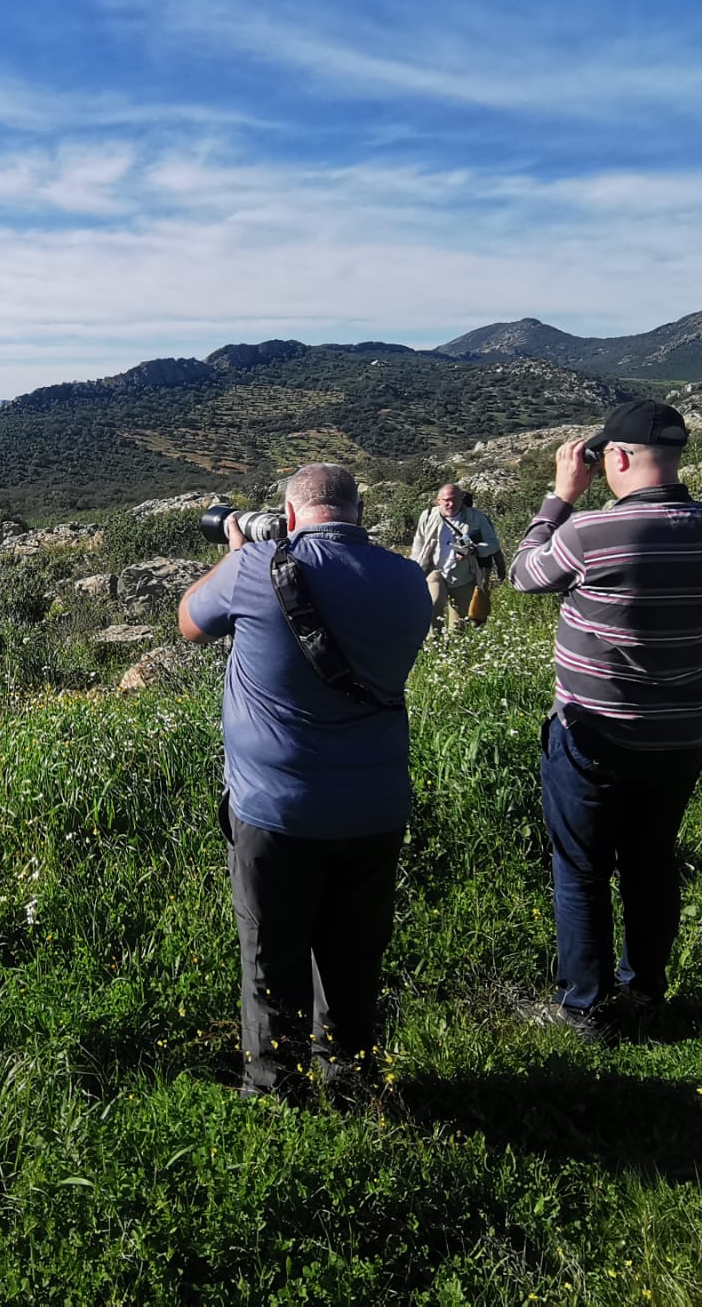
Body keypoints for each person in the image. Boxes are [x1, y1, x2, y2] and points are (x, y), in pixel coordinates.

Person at [177, 463, 435, 1097]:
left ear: (290, 516)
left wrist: (240, 553)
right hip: (375, 807)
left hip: (276, 810)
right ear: (358, 512)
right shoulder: (408, 582)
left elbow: (188, 621)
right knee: (353, 956)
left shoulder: (254, 570)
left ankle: (275, 1095)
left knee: (272, 957)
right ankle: (349, 1080)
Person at [508, 400, 702, 1035]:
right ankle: (645, 995)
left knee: (582, 868)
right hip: (679, 731)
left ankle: (585, 1007)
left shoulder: (590, 533)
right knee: (650, 862)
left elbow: (524, 574)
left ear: (614, 457)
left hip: (595, 732)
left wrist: (559, 497)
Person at [410, 484, 503, 631]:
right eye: (446, 500)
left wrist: (475, 550)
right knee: (432, 607)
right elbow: (418, 544)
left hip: (464, 575)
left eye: (454, 500)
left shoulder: (476, 518)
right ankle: (434, 646)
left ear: (461, 499)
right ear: (438, 500)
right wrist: (415, 569)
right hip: (436, 571)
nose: (451, 504)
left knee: (459, 625)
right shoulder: (428, 516)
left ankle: (454, 650)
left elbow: (493, 544)